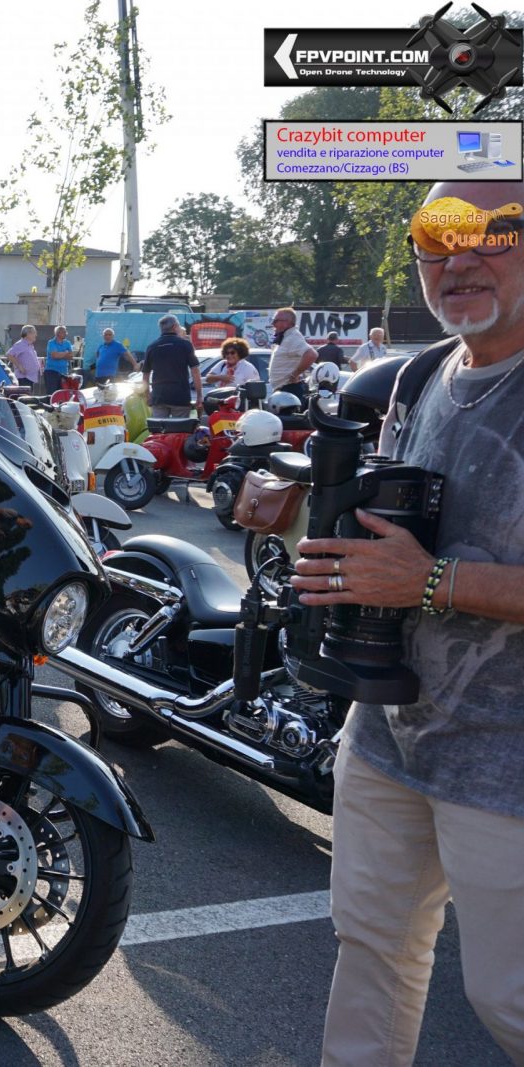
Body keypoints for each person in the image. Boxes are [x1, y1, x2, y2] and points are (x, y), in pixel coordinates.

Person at [297, 178, 524, 1067]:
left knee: (507, 994)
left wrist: (432, 582)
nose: (459, 257)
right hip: (390, 729)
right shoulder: (422, 373)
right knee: (372, 955)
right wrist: (309, 527)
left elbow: (420, 569)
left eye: (493, 230)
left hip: (508, 760)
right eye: (437, 234)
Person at [142, 314, 202, 417]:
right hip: (180, 396)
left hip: (159, 396)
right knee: (180, 426)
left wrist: (147, 395)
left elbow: (145, 374)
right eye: (178, 326)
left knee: (159, 426)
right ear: (174, 327)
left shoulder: (152, 347)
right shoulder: (185, 345)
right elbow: (195, 371)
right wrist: (199, 395)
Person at [267, 306, 317, 400]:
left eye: (275, 321)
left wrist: (295, 374)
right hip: (284, 390)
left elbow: (311, 355)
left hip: (289, 389)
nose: (273, 324)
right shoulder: (286, 337)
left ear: (287, 322)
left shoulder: (293, 337)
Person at [43, 326, 74, 395]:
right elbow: (54, 356)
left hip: (64, 373)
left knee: (62, 395)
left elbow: (71, 356)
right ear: (57, 333)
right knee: (51, 394)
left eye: (66, 332)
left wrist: (59, 354)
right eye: (64, 332)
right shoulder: (51, 343)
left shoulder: (67, 343)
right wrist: (65, 353)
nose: (66, 333)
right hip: (51, 372)